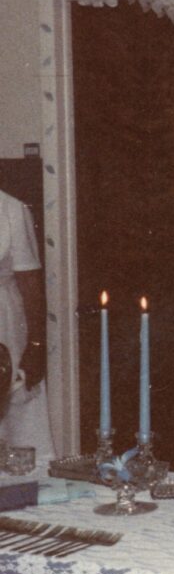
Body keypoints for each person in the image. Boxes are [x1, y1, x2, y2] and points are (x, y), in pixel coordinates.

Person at [0, 189, 55, 463]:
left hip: (4, 324)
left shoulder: (11, 209)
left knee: (15, 407)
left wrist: (35, 344)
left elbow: (30, 283)